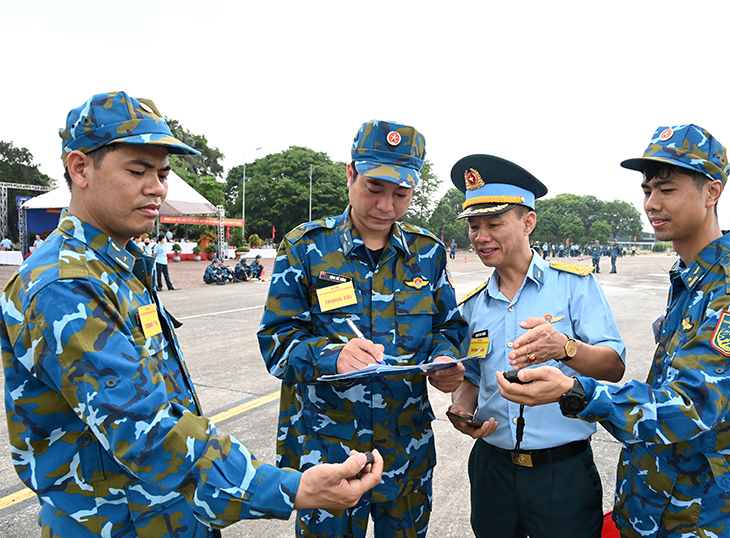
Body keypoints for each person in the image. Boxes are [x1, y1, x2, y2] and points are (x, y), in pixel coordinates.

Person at [0, 91, 383, 538]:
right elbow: (143, 425)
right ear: (80, 168)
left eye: (162, 173)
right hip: (113, 525)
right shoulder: (64, 284)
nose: (157, 188)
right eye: (138, 171)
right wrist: (288, 488)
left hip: (167, 517)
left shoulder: (115, 266)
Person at [496, 124, 730, 538]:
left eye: (666, 190)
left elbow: (688, 407)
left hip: (697, 517)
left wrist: (574, 392)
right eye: (647, 190)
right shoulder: (691, 280)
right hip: (652, 504)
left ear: (712, 193)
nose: (652, 203)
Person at [258, 119, 468, 538]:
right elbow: (277, 342)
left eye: (401, 194)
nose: (386, 206)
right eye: (374, 188)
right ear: (350, 173)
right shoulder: (306, 247)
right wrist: (331, 355)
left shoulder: (427, 254)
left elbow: (449, 326)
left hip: (405, 453)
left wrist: (445, 359)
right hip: (329, 452)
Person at [446, 154, 625, 538]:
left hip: (561, 474)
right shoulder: (473, 305)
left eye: (493, 223)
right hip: (492, 471)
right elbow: (473, 376)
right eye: (474, 227)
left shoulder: (575, 284)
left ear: (528, 222)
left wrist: (565, 348)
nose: (480, 237)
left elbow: (614, 365)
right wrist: (462, 405)